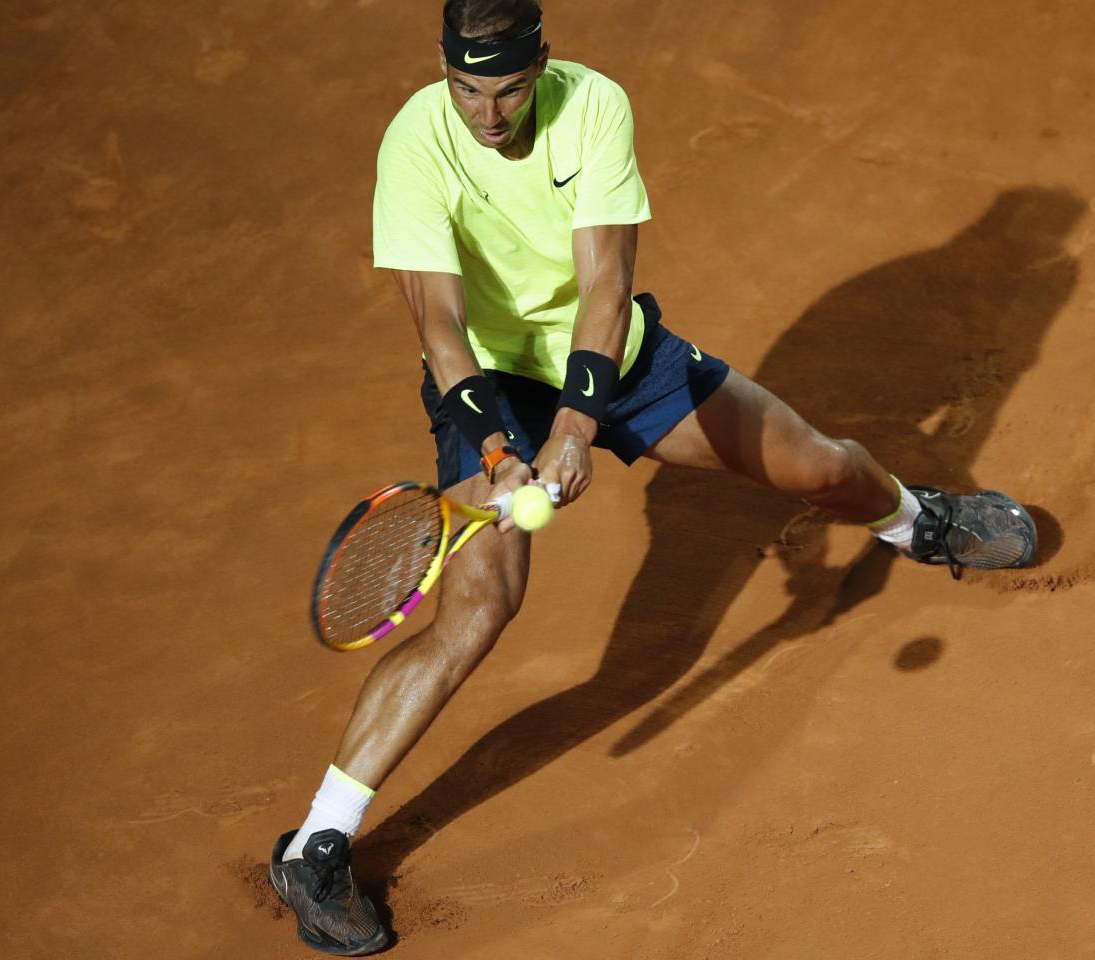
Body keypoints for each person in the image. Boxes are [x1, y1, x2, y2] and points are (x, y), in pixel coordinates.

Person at [267, 1, 1039, 953]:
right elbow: (437, 325)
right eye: (468, 89)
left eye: (508, 89)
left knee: (819, 465)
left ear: (539, 65)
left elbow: (605, 281)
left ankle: (917, 520)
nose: (489, 114)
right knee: (476, 610)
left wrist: (579, 427)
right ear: (441, 68)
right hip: (492, 389)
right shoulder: (415, 144)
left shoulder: (593, 105)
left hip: (612, 363)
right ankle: (317, 843)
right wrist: (505, 451)